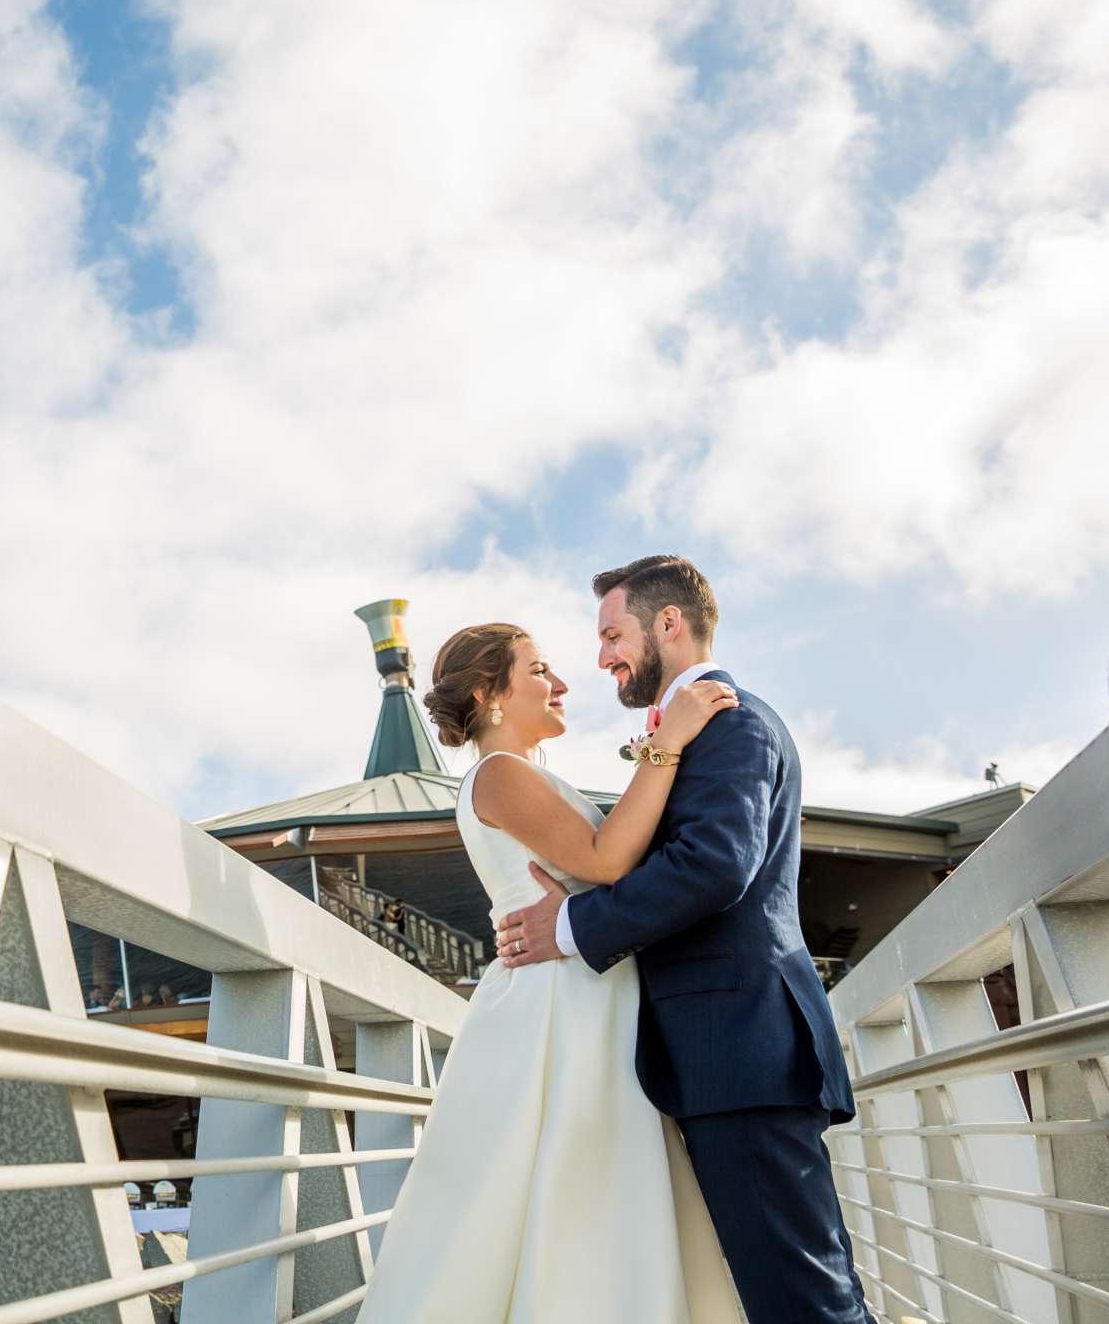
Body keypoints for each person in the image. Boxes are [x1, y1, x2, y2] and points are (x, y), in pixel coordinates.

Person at [495, 556, 871, 1324]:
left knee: (806, 1304)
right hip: (723, 1056)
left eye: (612, 635)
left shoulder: (729, 723)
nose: (601, 658)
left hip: (742, 1052)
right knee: (789, 1295)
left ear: (668, 624)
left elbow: (713, 866)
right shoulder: (696, 728)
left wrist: (568, 927)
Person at [356, 612, 742, 1322]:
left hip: (583, 992)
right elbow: (603, 861)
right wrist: (667, 744)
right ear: (487, 695)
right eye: (539, 671)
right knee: (565, 1183)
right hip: (557, 1007)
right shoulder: (498, 774)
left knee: (589, 1186)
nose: (561, 683)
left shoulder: (528, 775)